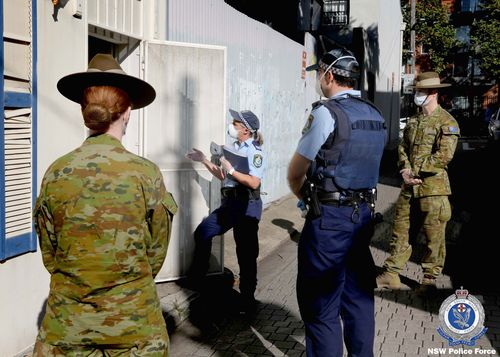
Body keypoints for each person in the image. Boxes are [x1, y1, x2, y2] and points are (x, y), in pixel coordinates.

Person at [33, 54, 178, 356]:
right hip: (134, 327)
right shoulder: (145, 173)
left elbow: (51, 254)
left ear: (84, 112)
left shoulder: (56, 172)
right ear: (127, 112)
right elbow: (155, 254)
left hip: (68, 326)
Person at [287, 48, 386, 357]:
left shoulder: (325, 113)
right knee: (358, 299)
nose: (318, 78)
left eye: (319, 73)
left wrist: (309, 199)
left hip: (329, 221)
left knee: (321, 307)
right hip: (362, 219)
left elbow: (295, 174)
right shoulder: (374, 113)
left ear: (329, 75)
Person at [376, 71, 460, 295]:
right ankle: (391, 274)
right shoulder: (413, 120)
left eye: (421, 91)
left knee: (434, 236)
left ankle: (429, 280)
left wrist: (416, 170)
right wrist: (404, 169)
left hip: (433, 190)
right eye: (417, 91)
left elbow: (444, 156)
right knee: (401, 231)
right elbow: (403, 147)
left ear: (433, 93)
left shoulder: (447, 122)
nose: (417, 95)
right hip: (409, 186)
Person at [185, 109, 265, 314]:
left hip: (247, 205)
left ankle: (248, 300)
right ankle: (198, 282)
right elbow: (223, 175)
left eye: (235, 123)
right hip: (230, 204)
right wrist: (203, 159)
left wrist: (231, 170)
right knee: (203, 232)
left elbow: (254, 182)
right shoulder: (234, 148)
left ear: (245, 130)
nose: (231, 125)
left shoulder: (254, 151)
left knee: (246, 255)